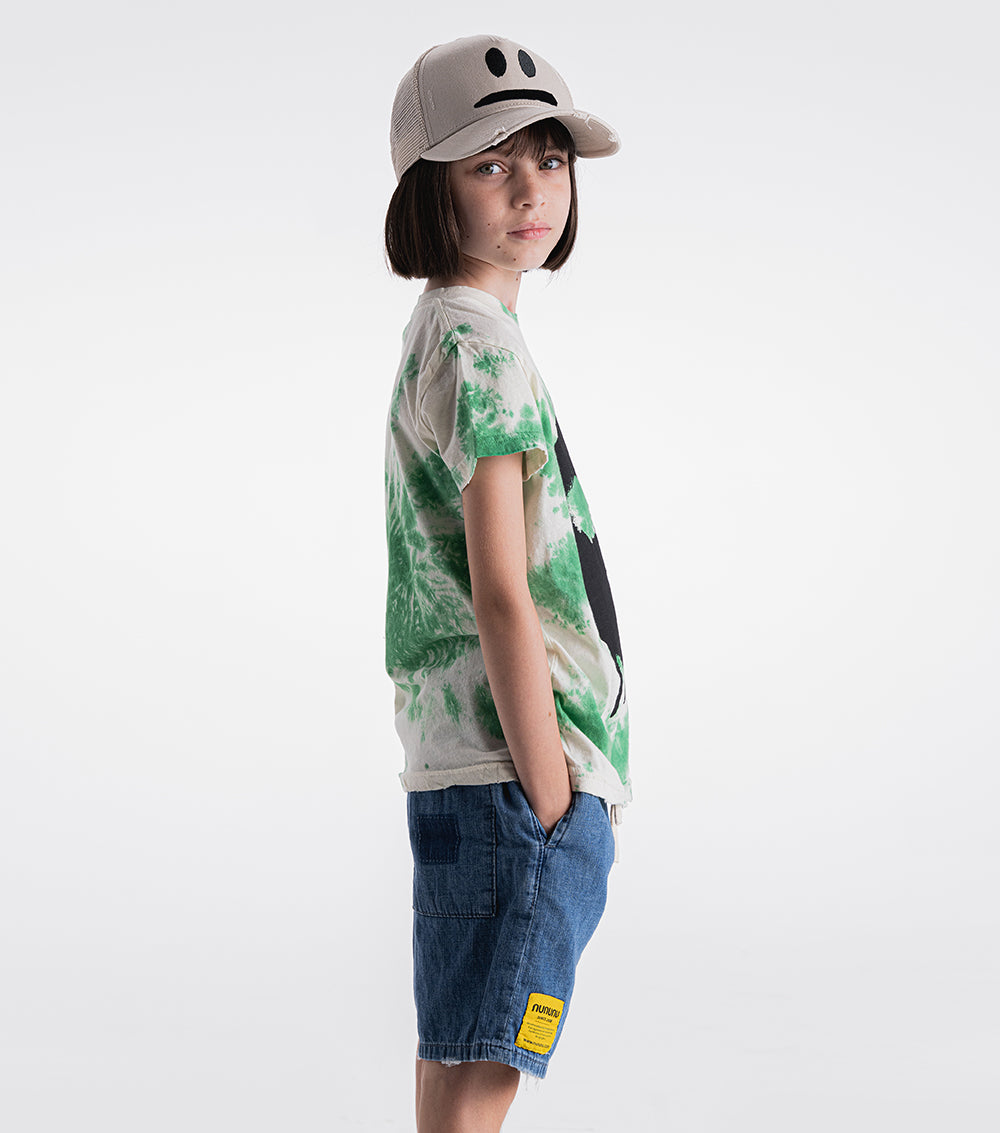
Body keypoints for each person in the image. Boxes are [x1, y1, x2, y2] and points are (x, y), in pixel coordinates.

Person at [383, 34, 632, 1132]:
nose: (532, 190)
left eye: (549, 158)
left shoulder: (444, 330)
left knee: (457, 1045)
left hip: (465, 767)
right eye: (490, 164)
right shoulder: (481, 348)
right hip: (518, 771)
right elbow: (499, 589)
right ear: (430, 189)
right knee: (491, 1058)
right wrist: (550, 787)